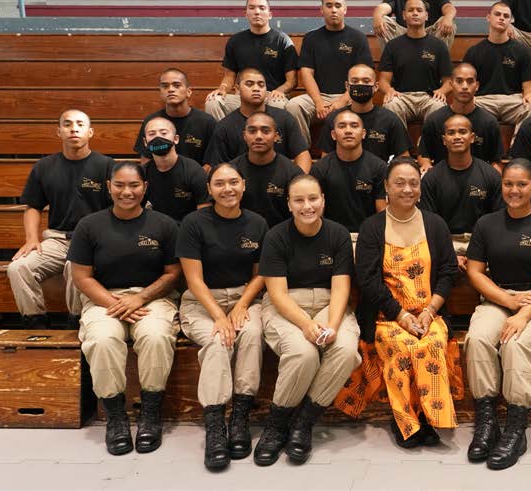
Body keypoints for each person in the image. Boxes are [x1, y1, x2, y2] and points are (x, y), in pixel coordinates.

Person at [335, 157, 463, 447]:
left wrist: (430, 312)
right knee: (402, 345)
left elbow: (448, 272)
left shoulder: (435, 224)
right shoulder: (372, 227)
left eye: (413, 183)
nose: (407, 189)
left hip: (429, 313)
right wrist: (401, 315)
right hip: (386, 316)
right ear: (386, 187)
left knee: (430, 343)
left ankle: (429, 418)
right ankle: (405, 421)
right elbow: (367, 281)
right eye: (399, 183)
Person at [70, 162, 181, 456]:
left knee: (156, 337)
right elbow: (81, 277)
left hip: (152, 299)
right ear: (108, 187)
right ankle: (116, 418)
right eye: (119, 185)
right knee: (102, 340)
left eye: (134, 185)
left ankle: (150, 414)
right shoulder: (89, 225)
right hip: (104, 298)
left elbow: (173, 273)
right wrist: (117, 303)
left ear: (145, 187)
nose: (127, 192)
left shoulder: (165, 225)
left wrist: (140, 298)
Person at [465, 159, 531, 470]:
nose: (514, 190)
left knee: (516, 343)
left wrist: (523, 314)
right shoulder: (487, 224)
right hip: (499, 298)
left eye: (522, 184)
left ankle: (515, 427)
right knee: (479, 338)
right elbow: (475, 272)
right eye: (508, 184)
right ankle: (486, 420)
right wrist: (508, 302)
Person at [254, 175, 361, 466]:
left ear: (323, 199)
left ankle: (304, 422)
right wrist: (305, 324)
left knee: (345, 350)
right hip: (288, 304)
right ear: (289, 204)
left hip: (329, 303)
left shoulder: (338, 234)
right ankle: (276, 425)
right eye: (299, 200)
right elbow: (276, 293)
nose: (307, 206)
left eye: (313, 198)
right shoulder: (276, 236)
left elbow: (341, 287)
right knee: (303, 354)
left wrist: (334, 326)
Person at [176, 163, 269, 470]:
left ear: (243, 185)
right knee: (218, 341)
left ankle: (240, 417)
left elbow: (261, 275)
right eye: (219, 183)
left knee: (253, 335)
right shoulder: (193, 223)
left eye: (233, 182)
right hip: (204, 301)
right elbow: (194, 280)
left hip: (245, 297)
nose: (227, 189)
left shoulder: (257, 223)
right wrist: (219, 316)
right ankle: (215, 423)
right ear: (210, 188)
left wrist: (242, 305)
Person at [8, 109, 113, 328]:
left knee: (75, 266)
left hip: (93, 241)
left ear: (91, 132)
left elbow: (118, 208)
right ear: (59, 131)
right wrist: (31, 239)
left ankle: (75, 321)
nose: (74, 128)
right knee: (18, 268)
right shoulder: (44, 167)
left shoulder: (107, 166)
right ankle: (34, 321)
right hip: (56, 239)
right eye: (67, 124)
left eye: (80, 124)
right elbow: (33, 206)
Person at [286, 0, 374, 141]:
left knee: (364, 105)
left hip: (350, 96)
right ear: (321, 9)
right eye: (329, 5)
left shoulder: (358, 38)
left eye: (338, 5)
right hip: (319, 97)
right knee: (293, 106)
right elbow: (306, 74)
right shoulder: (311, 38)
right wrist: (319, 102)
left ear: (345, 9)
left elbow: (362, 78)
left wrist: (342, 101)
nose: (333, 10)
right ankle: (302, 152)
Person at [419, 115, 504, 267]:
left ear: (472, 138)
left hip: (482, 242)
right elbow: (429, 226)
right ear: (444, 140)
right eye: (451, 133)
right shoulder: (431, 179)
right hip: (445, 242)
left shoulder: (491, 175)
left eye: (462, 132)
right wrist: (450, 254)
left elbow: (498, 222)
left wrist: (477, 253)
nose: (457, 137)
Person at [206, 0, 297, 120]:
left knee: (278, 104)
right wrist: (222, 89)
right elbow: (229, 76)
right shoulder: (235, 41)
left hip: (271, 96)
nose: (257, 12)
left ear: (270, 14)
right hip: (242, 97)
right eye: (252, 8)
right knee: (213, 102)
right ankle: (224, 137)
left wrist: (280, 90)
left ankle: (275, 139)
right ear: (246, 14)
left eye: (262, 8)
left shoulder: (282, 40)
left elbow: (291, 81)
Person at [204, 68, 311, 173]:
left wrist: (298, 181)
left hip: (279, 183)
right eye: (249, 84)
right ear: (237, 89)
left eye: (261, 85)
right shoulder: (225, 126)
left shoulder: (285, 118)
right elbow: (216, 166)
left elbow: (302, 155)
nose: (256, 88)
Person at [308, 109, 387, 234]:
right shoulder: (319, 169)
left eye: (354, 126)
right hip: (331, 237)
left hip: (367, 236)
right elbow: (316, 213)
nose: (348, 130)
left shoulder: (379, 167)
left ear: (363, 133)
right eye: (342, 126)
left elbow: (382, 214)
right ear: (333, 135)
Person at [462, 2, 531, 127]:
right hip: (483, 101)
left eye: (506, 16)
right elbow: (465, 83)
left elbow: (528, 87)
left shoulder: (521, 50)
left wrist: (530, 95)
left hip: (513, 101)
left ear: (511, 21)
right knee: (463, 109)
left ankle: (517, 146)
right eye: (497, 14)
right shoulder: (474, 52)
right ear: (488, 17)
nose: (501, 18)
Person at [378, 0, 453, 125]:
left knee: (440, 107)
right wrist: (389, 90)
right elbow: (383, 81)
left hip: (429, 98)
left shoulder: (439, 46)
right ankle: (401, 145)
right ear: (403, 15)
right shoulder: (393, 46)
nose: (415, 13)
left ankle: (426, 145)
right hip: (402, 97)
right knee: (390, 106)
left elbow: (449, 82)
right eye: (410, 10)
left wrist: (442, 91)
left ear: (426, 15)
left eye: (419, 10)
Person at [417, 63, 504, 171]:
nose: (464, 86)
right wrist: (425, 164)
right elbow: (424, 154)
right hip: (443, 182)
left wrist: (494, 177)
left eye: (470, 81)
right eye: (459, 81)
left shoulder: (489, 122)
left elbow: (496, 161)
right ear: (451, 84)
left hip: (479, 184)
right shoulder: (434, 120)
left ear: (477, 86)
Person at [315, 64, 411, 161]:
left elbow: (404, 159)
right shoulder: (334, 119)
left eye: (366, 81)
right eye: (355, 81)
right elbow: (326, 161)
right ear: (347, 86)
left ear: (376, 87)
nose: (360, 85)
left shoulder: (390, 120)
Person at [230, 112, 305, 227]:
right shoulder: (232, 171)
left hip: (282, 238)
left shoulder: (293, 174)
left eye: (265, 131)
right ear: (245, 136)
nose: (258, 136)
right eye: (252, 131)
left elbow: (301, 215)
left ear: (276, 136)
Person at [134, 68, 215, 165]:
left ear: (188, 92)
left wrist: (195, 178)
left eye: (176, 85)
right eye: (165, 86)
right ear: (160, 93)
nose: (171, 90)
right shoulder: (151, 122)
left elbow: (210, 163)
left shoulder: (207, 122)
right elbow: (146, 161)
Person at [140, 116, 209, 222]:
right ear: (145, 142)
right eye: (152, 134)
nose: (158, 137)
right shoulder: (143, 173)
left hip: (188, 230)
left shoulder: (194, 171)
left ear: (176, 139)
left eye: (163, 133)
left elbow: (205, 216)